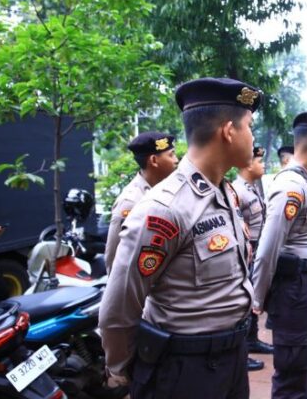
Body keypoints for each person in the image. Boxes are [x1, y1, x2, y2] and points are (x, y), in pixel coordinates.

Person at [99, 77, 262, 399]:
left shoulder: (224, 192)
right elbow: (119, 308)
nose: (252, 136)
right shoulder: (165, 209)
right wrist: (122, 372)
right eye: (249, 126)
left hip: (231, 358)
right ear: (229, 131)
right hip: (185, 371)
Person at [251, 111, 307, 399]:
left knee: (303, 365)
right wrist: (258, 297)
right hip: (293, 289)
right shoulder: (291, 186)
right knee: (292, 369)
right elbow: (267, 249)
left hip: (306, 285)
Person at [104, 131, 178, 273]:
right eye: (171, 155)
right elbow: (113, 258)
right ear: (154, 161)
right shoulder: (130, 202)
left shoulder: (167, 189)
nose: (176, 160)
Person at [234, 146, 273, 372]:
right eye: (259, 161)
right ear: (248, 164)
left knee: (255, 298)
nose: (263, 165)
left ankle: (253, 339)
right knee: (245, 300)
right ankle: (243, 350)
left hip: (257, 249)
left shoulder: (253, 188)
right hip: (249, 249)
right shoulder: (237, 190)